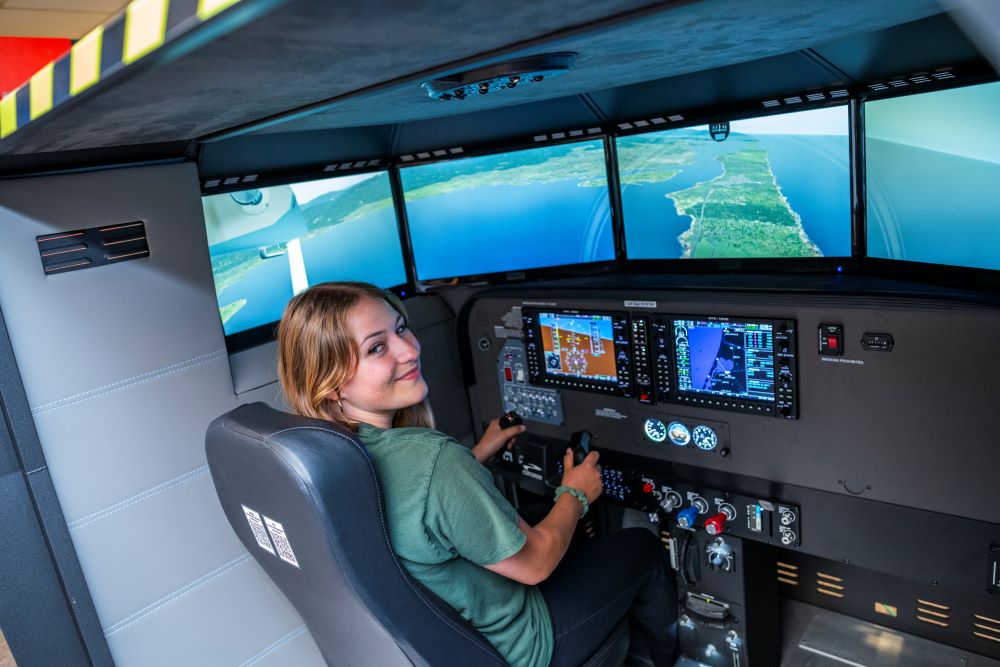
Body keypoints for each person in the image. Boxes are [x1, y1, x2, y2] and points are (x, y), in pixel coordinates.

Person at [277, 282, 677, 667]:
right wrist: (576, 494)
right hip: (520, 645)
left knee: (539, 509)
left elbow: (413, 506)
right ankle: (669, 658)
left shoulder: (326, 456)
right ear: (330, 384)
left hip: (450, 640)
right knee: (641, 546)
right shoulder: (432, 462)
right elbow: (536, 563)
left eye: (401, 329)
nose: (409, 349)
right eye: (377, 348)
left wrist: (475, 456)